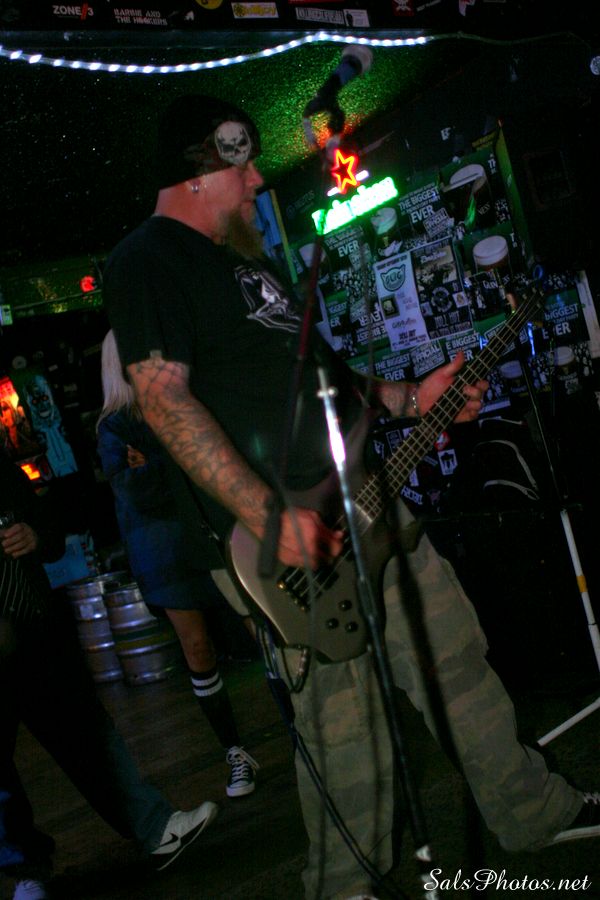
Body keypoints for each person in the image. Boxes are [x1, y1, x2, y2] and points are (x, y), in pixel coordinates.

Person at [103, 94, 600, 899]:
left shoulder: (247, 265)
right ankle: (345, 887)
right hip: (282, 541)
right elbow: (163, 402)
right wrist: (268, 516)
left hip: (367, 497)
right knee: (345, 728)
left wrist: (411, 396)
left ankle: (532, 812)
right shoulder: (148, 259)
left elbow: (327, 381)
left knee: (455, 661)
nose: (257, 181)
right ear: (196, 171)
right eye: (242, 166)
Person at [0, 448, 218, 900]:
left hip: (31, 624)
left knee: (88, 732)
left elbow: (50, 526)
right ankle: (25, 871)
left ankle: (156, 828)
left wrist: (36, 535)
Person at [96, 328, 259, 798]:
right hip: (164, 551)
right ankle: (235, 753)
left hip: (210, 534)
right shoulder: (115, 426)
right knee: (197, 648)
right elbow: (139, 491)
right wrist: (179, 459)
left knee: (261, 629)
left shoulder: (178, 401)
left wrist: (158, 460)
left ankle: (300, 732)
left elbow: (206, 461)